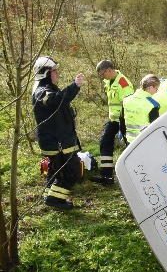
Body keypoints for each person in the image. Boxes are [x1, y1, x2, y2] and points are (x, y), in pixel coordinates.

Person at [31, 56, 85, 210]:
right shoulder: (42, 91)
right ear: (46, 73)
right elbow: (56, 101)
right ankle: (55, 200)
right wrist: (74, 86)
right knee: (71, 170)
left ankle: (50, 196)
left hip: (59, 140)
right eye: (55, 71)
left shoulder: (47, 88)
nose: (57, 74)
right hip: (57, 141)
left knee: (55, 170)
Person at [95, 60, 134, 185]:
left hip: (123, 120)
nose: (102, 77)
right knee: (105, 142)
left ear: (109, 70)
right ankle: (106, 176)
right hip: (114, 119)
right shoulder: (109, 81)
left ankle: (133, 175)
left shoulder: (123, 83)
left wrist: (123, 125)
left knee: (130, 147)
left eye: (103, 74)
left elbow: (128, 104)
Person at [122, 74, 161, 143]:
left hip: (129, 141)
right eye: (156, 88)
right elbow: (155, 128)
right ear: (150, 87)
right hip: (144, 142)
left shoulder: (126, 100)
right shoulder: (153, 105)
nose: (157, 91)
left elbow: (122, 123)